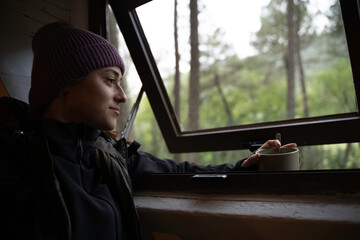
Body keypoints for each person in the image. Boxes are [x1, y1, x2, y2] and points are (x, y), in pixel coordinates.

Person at [0, 22, 296, 240]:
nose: (122, 96)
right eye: (109, 80)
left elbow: (180, 172)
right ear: (65, 84)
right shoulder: (13, 157)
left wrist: (242, 168)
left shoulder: (110, 157)